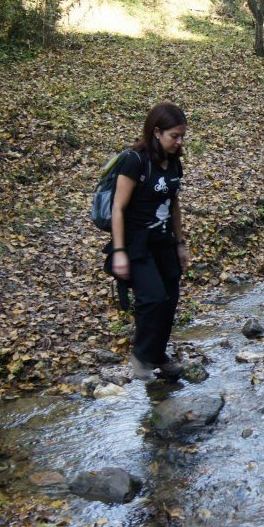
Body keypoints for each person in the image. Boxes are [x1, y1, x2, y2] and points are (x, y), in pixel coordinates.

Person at [106, 102, 191, 380]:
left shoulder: (174, 161)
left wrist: (180, 243)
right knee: (152, 299)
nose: (179, 142)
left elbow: (174, 203)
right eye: (174, 136)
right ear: (157, 132)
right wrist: (119, 251)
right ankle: (141, 356)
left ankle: (157, 355)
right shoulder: (135, 161)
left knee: (170, 299)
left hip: (163, 241)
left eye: (182, 136)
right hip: (136, 242)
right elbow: (118, 208)